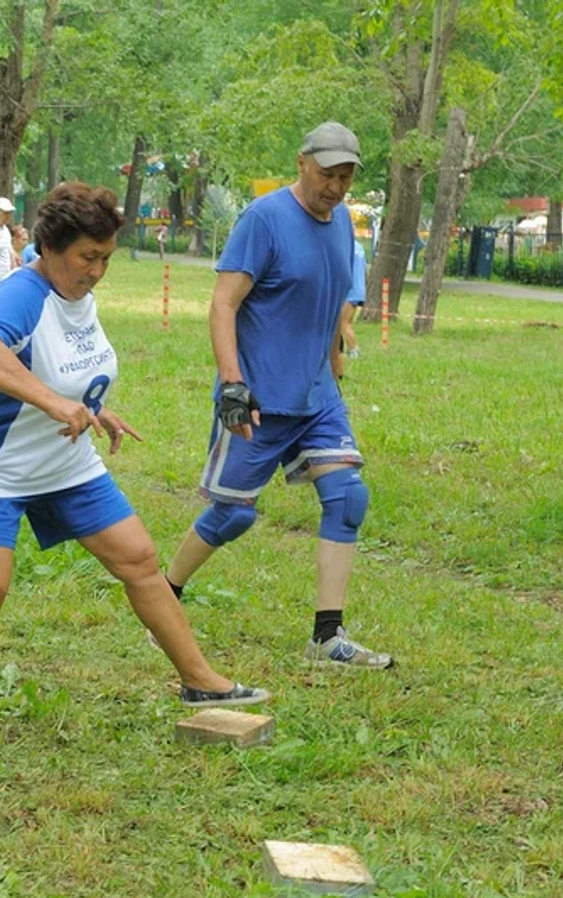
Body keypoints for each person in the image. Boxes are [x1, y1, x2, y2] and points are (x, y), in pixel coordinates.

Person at [0, 182, 270, 753]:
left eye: (106, 258)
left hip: (66, 461)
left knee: (139, 559)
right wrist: (52, 402)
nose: (97, 271)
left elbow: (59, 364)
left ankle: (199, 680)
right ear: (51, 247)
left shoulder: (78, 294)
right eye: (88, 257)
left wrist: (92, 408)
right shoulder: (25, 291)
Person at [161, 121, 393, 670]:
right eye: (327, 174)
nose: (335, 187)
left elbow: (331, 304)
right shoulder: (263, 219)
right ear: (302, 163)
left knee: (348, 498)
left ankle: (327, 638)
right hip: (259, 399)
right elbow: (223, 303)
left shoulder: (343, 224)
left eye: (345, 177)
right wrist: (232, 385)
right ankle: (164, 598)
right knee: (231, 516)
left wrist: (333, 366)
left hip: (317, 396)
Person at [339, 236, 367, 360]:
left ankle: (354, 351)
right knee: (343, 322)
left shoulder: (345, 246)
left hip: (349, 289)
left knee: (344, 323)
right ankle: (339, 350)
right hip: (359, 287)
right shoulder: (359, 247)